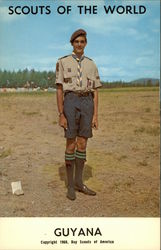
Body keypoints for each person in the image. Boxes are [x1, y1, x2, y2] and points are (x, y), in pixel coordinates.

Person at [56, 29, 102, 200]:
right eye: (76, 42)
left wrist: (95, 115)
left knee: (82, 143)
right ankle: (70, 186)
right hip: (71, 101)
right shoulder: (62, 62)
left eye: (82, 42)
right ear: (72, 44)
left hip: (87, 102)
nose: (79, 45)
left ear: (86, 44)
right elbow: (60, 89)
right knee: (71, 143)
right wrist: (61, 113)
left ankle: (79, 182)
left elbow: (96, 91)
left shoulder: (92, 64)